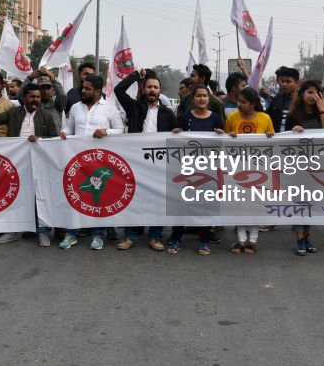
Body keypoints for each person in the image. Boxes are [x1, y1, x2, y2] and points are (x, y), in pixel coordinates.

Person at [0, 83, 62, 246]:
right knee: (14, 195)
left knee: (38, 198)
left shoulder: (47, 115)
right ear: (24, 98)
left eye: (38, 97)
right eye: (32, 97)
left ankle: (42, 233)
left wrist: (39, 141)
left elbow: (53, 140)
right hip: (17, 162)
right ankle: (12, 231)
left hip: (39, 162)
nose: (35, 100)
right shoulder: (14, 112)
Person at [114, 69, 177, 251]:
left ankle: (155, 237)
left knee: (157, 201)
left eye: (155, 87)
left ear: (159, 90)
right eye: (148, 86)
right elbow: (119, 90)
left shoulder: (168, 113)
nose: (152, 90)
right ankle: (129, 236)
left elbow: (175, 136)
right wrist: (135, 77)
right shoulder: (134, 107)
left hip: (158, 164)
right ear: (143, 89)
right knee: (133, 199)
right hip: (136, 163)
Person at [58, 75, 123, 250]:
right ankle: (71, 233)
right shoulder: (75, 108)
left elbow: (120, 130)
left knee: (98, 199)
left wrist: (106, 131)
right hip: (77, 161)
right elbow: (69, 128)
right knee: (74, 196)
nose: (83, 91)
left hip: (99, 163)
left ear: (97, 91)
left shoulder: (109, 108)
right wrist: (63, 132)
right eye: (82, 88)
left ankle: (98, 234)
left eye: (87, 88)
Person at [168, 84, 223, 255]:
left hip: (208, 170)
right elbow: (177, 140)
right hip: (187, 168)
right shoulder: (185, 117)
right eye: (198, 96)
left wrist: (222, 133)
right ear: (193, 99)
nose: (202, 99)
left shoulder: (215, 118)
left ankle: (205, 241)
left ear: (209, 98)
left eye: (205, 96)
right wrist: (177, 132)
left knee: (205, 205)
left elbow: (223, 142)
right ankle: (176, 238)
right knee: (182, 204)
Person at [223, 87, 274, 255]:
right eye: (238, 101)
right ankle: (241, 240)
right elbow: (224, 140)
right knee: (239, 205)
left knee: (255, 206)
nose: (239, 104)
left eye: (243, 102)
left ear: (252, 104)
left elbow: (274, 142)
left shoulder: (265, 118)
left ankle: (252, 241)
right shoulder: (232, 118)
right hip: (236, 169)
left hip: (259, 169)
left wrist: (270, 137)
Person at [288, 79, 324, 256]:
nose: (312, 96)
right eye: (309, 93)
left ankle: (306, 236)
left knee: (311, 203)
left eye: (316, 93)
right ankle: (299, 238)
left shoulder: (322, 113)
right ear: (302, 95)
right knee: (300, 202)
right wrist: (294, 130)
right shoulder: (294, 115)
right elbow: (284, 139)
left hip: (317, 165)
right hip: (298, 166)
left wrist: (322, 109)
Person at [265, 66, 299, 133]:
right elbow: (266, 117)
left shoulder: (304, 101)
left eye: (288, 82)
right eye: (282, 81)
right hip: (277, 141)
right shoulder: (275, 101)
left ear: (297, 83)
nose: (284, 84)